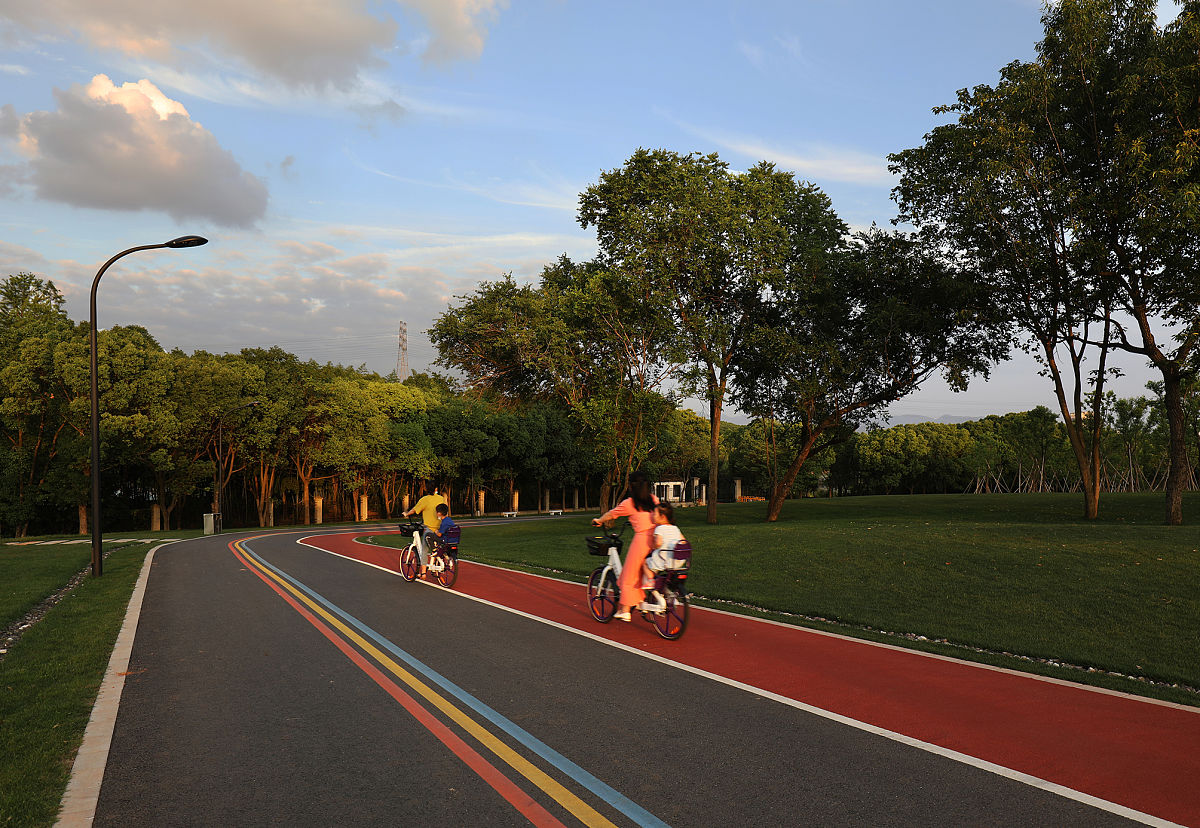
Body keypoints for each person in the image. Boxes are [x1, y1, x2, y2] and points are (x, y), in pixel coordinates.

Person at [592, 470, 658, 621]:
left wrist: (599, 520)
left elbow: (611, 514)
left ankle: (625, 610)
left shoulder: (630, 503)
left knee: (629, 574)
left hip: (642, 541)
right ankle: (640, 601)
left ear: (631, 486)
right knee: (641, 572)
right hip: (656, 539)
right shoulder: (654, 499)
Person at [403, 485, 446, 577]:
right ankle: (434, 567)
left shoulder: (425, 499)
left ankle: (423, 573)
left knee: (424, 550)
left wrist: (407, 514)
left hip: (430, 528)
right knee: (436, 547)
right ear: (436, 489)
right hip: (441, 527)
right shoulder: (441, 498)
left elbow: (415, 510)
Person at [642, 501, 684, 587]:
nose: (653, 516)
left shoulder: (659, 528)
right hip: (677, 561)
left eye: (655, 514)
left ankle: (650, 581)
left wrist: (654, 546)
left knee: (644, 563)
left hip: (663, 560)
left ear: (662, 516)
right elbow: (683, 541)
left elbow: (658, 543)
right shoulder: (675, 528)